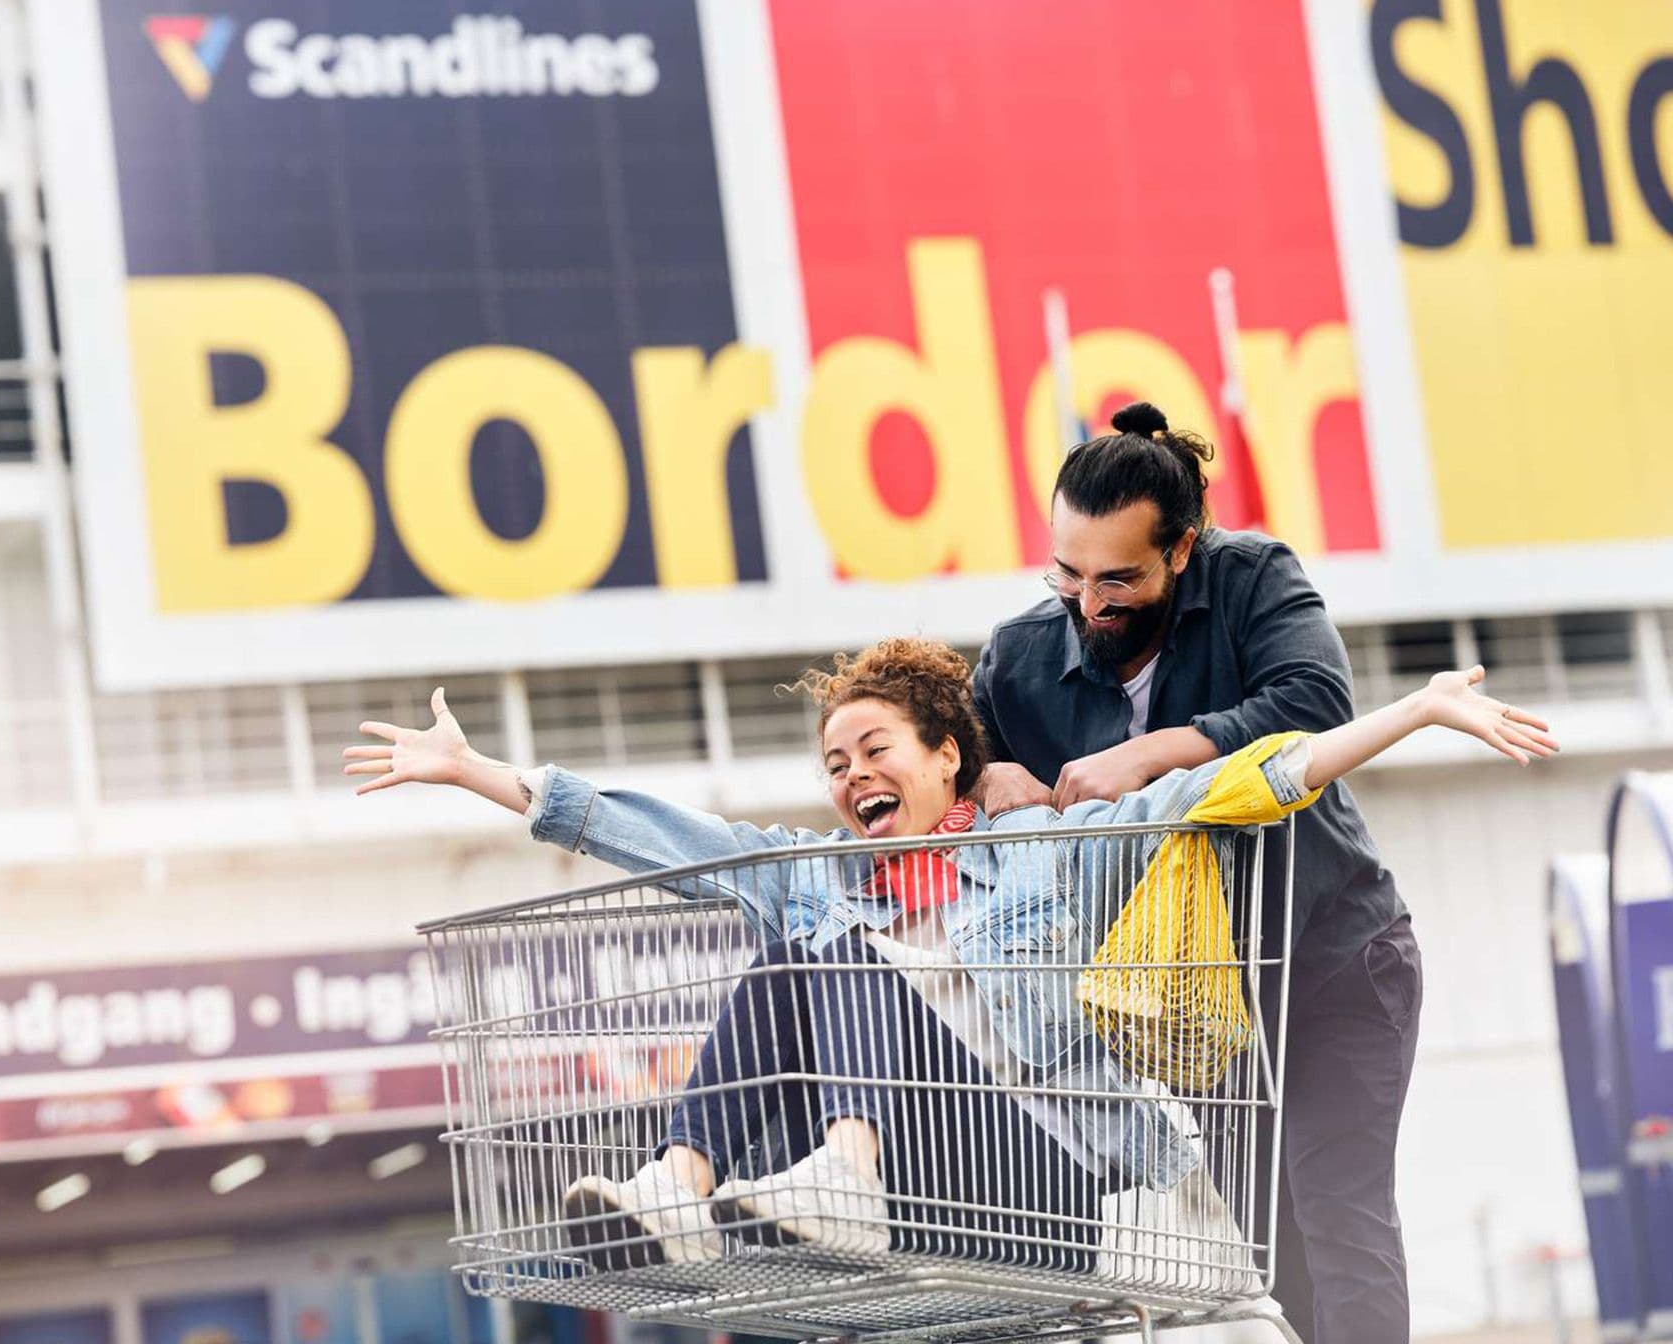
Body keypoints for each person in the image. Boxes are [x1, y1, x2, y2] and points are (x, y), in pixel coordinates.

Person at [345, 639, 1552, 1278]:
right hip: (938, 1191)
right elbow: (674, 845)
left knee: (825, 950)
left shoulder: (1043, 851)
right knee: (797, 930)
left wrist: (1417, 712)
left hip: (1060, 1187)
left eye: (873, 748)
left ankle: (836, 1171)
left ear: (946, 758)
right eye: (833, 765)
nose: (851, 777)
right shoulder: (835, 882)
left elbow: (1239, 784)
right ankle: (682, 1181)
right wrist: (482, 776)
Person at [969, 399, 1467, 1343]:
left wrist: (1155, 752)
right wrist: (984, 766)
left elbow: (1314, 703)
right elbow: (957, 751)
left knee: (1338, 1207)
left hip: (1333, 959)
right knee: (1274, 1248)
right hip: (1192, 1003)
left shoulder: (1254, 578)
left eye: (1119, 579)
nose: (1089, 605)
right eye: (1066, 574)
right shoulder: (1019, 658)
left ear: (1183, 550)